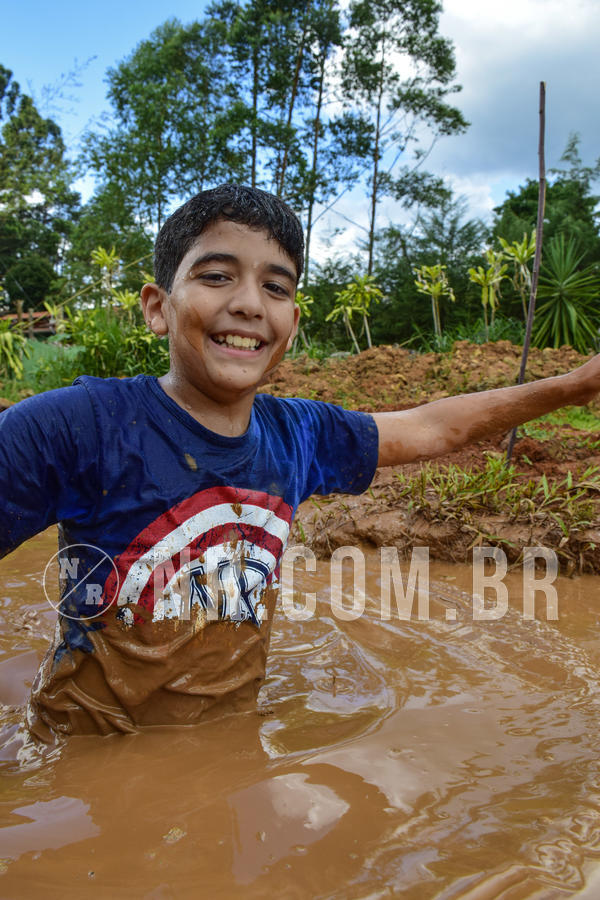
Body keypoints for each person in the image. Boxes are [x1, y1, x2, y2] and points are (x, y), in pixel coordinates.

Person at [1, 184, 599, 743]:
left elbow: (430, 427)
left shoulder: (300, 435)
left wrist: (574, 387)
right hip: (81, 751)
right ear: (158, 308)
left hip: (230, 744)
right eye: (216, 276)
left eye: (276, 287)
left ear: (291, 323)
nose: (248, 304)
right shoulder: (75, 427)